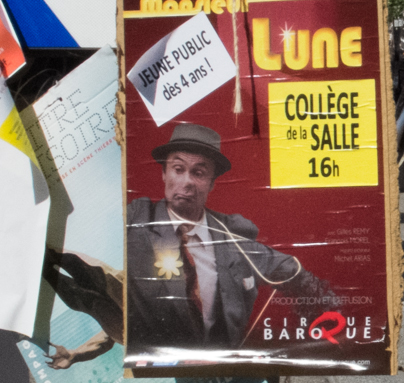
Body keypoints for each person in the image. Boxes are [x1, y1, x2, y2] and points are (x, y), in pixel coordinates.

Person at [124, 122, 337, 354]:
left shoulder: (233, 240)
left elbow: (293, 271)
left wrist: (331, 318)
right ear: (164, 173)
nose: (186, 182)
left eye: (198, 173)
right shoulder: (138, 223)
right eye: (178, 169)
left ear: (212, 183)